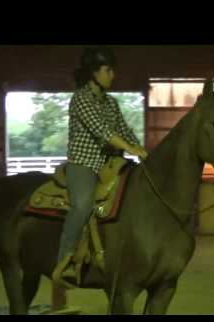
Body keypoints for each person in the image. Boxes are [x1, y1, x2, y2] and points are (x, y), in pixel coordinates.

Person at [52, 46, 148, 288]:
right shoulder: (80, 98)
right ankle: (64, 259)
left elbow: (123, 130)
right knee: (83, 205)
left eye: (112, 70)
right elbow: (103, 132)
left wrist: (141, 149)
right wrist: (131, 149)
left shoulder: (111, 103)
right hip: (83, 165)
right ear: (93, 72)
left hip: (109, 165)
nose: (112, 75)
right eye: (108, 70)